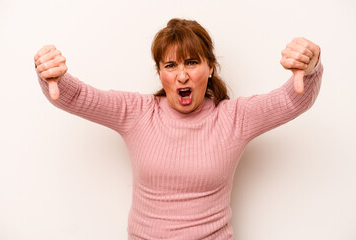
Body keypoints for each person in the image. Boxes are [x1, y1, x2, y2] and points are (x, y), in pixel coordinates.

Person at [34, 18, 323, 239]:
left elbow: (292, 100)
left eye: (192, 62)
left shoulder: (234, 117)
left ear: (210, 68)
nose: (182, 75)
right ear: (160, 73)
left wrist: (310, 67)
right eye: (170, 65)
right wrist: (51, 74)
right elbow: (76, 96)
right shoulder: (137, 112)